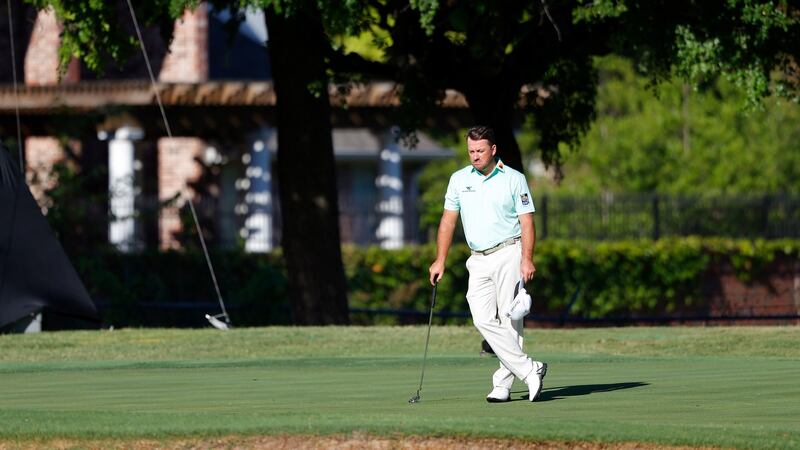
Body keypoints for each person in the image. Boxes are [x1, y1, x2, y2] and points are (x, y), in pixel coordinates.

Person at [428, 125, 547, 403]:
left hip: (509, 252)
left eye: (480, 151)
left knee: (510, 320)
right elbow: (448, 220)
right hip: (477, 258)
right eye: (471, 151)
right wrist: (440, 259)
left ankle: (503, 384)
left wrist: (527, 258)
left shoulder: (514, 179)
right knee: (482, 318)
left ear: (493, 150)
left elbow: (527, 221)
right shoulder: (458, 179)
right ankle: (530, 368)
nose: (475, 156)